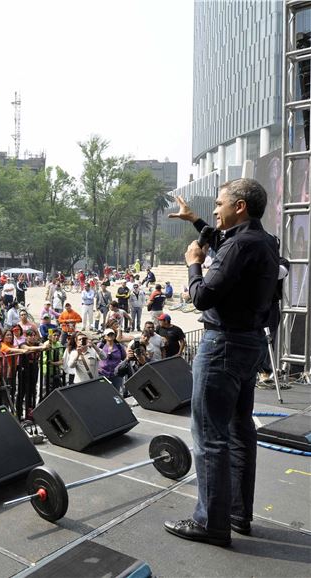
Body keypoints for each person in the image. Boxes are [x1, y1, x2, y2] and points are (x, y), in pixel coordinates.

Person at [163, 179, 279, 545]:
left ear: (239, 206)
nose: (214, 210)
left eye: (218, 204)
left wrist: (193, 265)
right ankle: (236, 514)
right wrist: (195, 221)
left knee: (210, 436)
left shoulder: (240, 245)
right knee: (240, 431)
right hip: (249, 345)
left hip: (223, 347)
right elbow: (223, 242)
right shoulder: (264, 241)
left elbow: (202, 297)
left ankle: (210, 523)